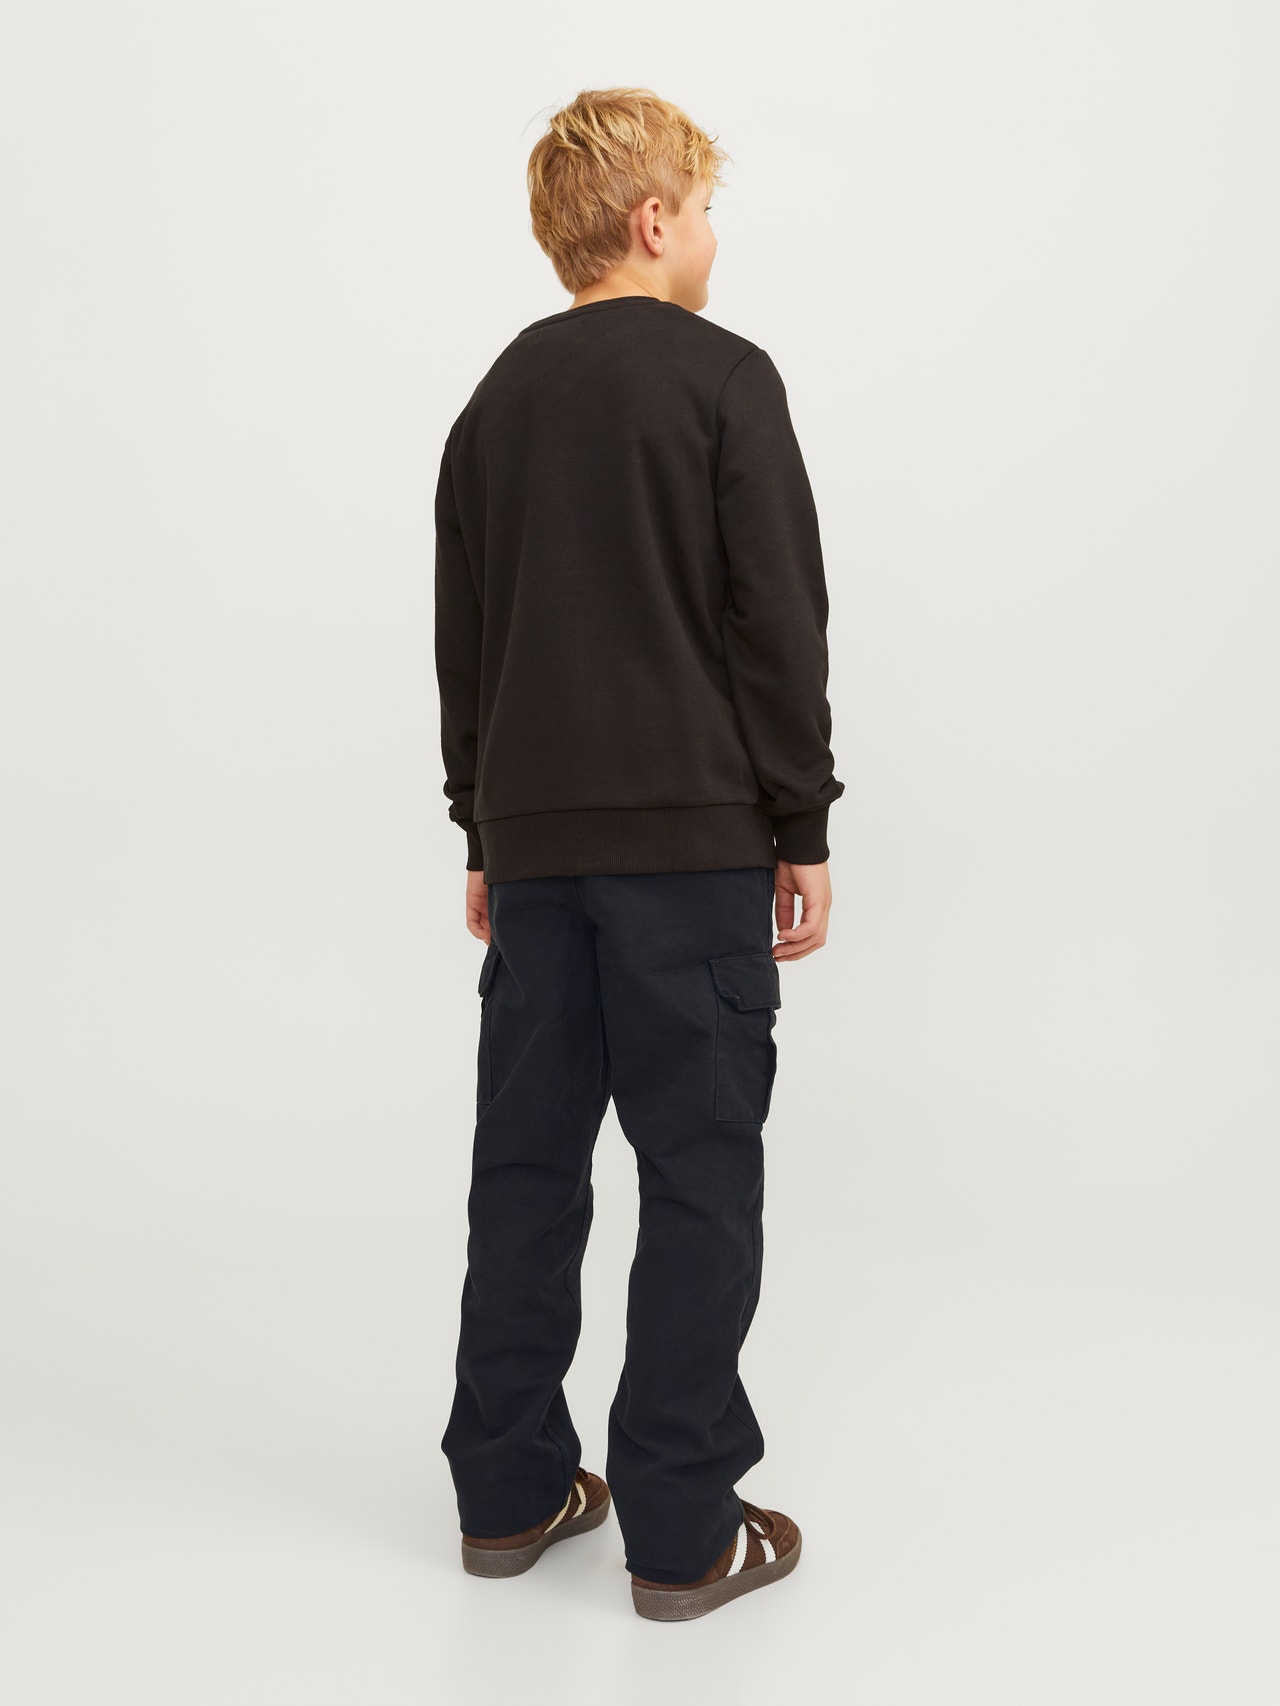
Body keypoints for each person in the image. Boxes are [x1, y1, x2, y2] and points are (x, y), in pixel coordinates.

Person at [434, 86, 843, 1621]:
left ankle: (507, 1490)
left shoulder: (494, 403)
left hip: (539, 856)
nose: (715, 238)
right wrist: (800, 820)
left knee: (526, 1166)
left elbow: (466, 639)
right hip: (690, 852)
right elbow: (775, 618)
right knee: (699, 1173)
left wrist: (485, 827)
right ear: (654, 220)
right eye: (707, 210)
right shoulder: (726, 380)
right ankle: (680, 1529)